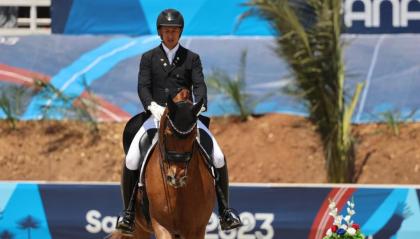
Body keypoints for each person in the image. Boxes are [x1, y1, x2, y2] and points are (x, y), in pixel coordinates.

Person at [115, 9, 242, 235]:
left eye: (174, 31)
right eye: (166, 31)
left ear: (180, 32)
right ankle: (128, 212)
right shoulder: (149, 58)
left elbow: (199, 85)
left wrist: (199, 105)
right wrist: (152, 106)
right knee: (133, 157)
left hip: (186, 118)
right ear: (160, 33)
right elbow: (143, 87)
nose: (170, 35)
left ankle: (225, 211)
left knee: (219, 156)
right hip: (156, 117)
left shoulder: (191, 58)